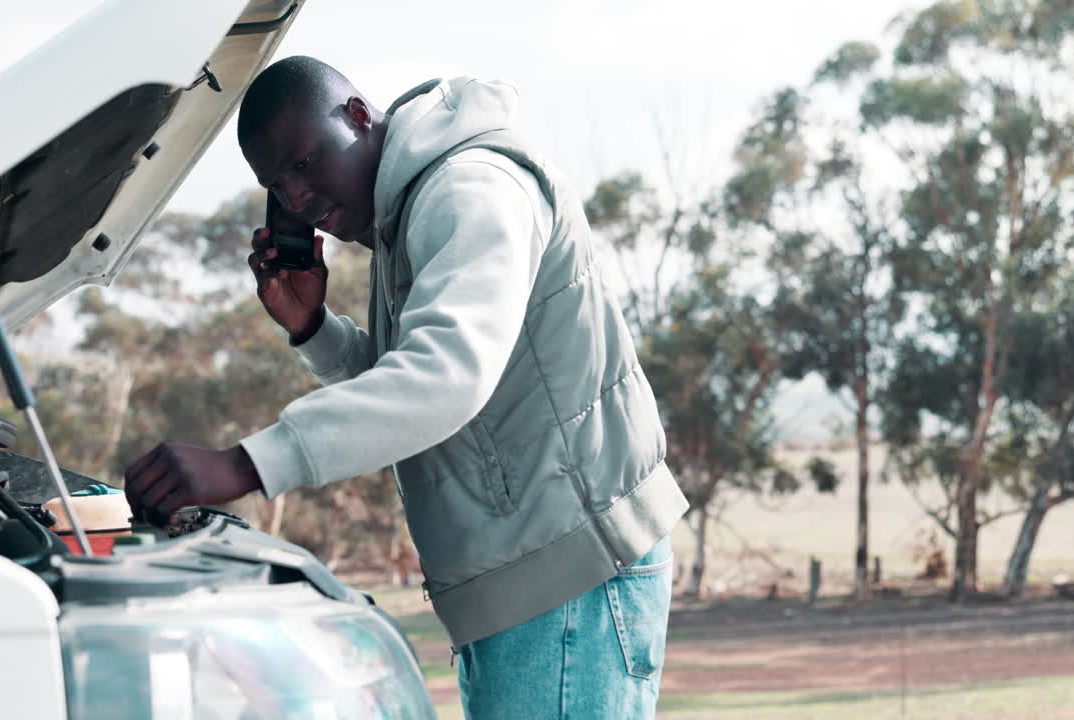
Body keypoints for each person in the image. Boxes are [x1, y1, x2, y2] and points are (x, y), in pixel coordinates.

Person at [124, 56, 689, 718]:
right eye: (277, 184)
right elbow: (418, 406)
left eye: (304, 162)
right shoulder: (410, 213)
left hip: (569, 579)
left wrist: (246, 465)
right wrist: (313, 328)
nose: (297, 199)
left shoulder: (468, 190)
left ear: (358, 116)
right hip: (532, 579)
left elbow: (446, 377)